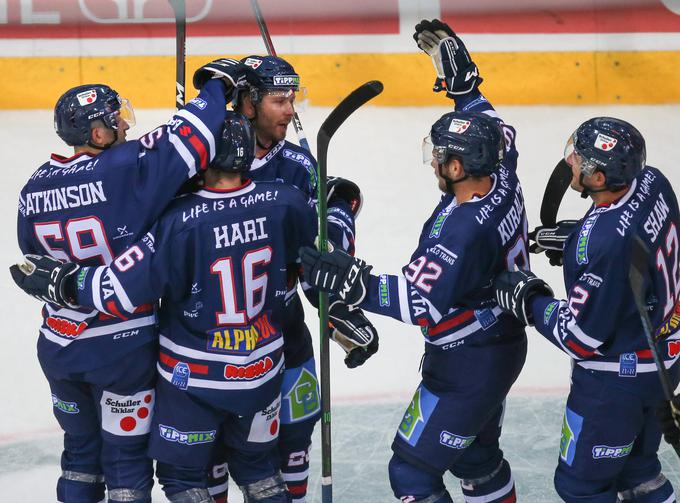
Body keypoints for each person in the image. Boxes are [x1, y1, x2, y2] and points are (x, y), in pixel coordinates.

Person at [12, 112, 317, 503]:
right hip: (262, 372)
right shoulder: (286, 201)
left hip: (195, 379)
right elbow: (323, 259)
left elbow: (120, 287)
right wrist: (338, 207)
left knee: (182, 477)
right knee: (260, 471)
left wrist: (65, 281)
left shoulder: (177, 220)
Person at [298, 19, 527, 503]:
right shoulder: (501, 173)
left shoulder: (463, 228)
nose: (434, 162)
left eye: (439, 155)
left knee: (412, 472)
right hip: (498, 341)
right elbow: (493, 126)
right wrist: (466, 90)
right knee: (477, 461)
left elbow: (419, 300)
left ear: (459, 167)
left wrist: (353, 283)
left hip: (467, 360)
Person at [13, 59, 245, 503]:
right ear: (98, 134)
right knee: (125, 460)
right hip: (121, 349)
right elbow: (191, 138)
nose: (123, 125)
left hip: (59, 345)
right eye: (115, 119)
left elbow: (34, 260)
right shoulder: (124, 167)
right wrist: (216, 86)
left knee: (81, 456)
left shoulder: (33, 187)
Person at [203, 54, 378, 503]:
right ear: (248, 102)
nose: (290, 110)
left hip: (283, 334)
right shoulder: (200, 159)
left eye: (292, 98)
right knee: (211, 459)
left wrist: (334, 308)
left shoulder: (298, 167)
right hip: (209, 343)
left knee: (293, 445)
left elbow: (318, 254)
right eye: (279, 100)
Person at [492, 117, 680, 502]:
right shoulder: (653, 181)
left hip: (615, 383)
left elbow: (581, 336)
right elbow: (633, 235)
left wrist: (531, 300)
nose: (571, 161)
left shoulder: (606, 242)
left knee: (581, 487)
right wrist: (579, 235)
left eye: (579, 157)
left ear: (597, 177)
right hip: (666, 356)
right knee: (639, 473)